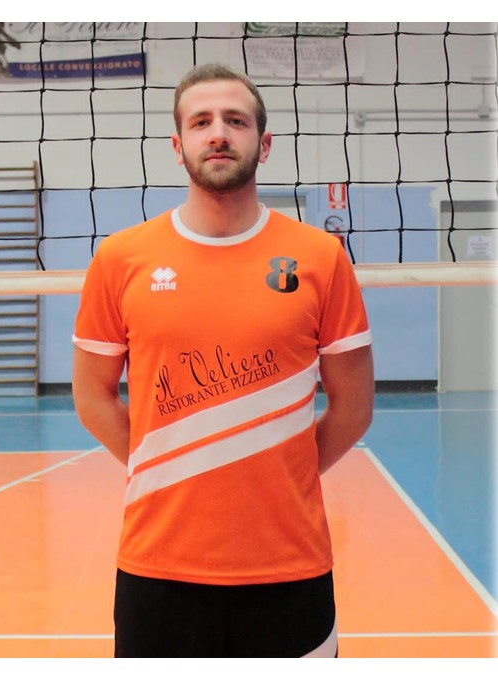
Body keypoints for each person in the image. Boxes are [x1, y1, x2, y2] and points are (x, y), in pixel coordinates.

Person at [72, 63, 374, 658]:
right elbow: (91, 395)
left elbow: (354, 407)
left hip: (290, 566)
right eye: (201, 121)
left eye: (235, 121)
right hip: (158, 567)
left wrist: (280, 477)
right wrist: (165, 467)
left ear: (264, 143)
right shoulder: (120, 259)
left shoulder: (320, 257)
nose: (218, 133)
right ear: (177, 144)